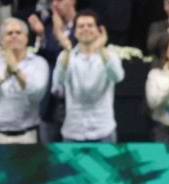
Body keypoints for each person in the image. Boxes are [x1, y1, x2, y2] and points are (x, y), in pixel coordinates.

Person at [0, 18, 51, 144]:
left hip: (25, 137)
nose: (14, 36)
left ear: (26, 38)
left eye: (18, 32)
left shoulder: (38, 63)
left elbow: (37, 94)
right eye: (9, 33)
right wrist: (1, 78)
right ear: (2, 40)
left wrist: (16, 71)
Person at [51, 10, 124, 142]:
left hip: (104, 131)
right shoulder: (65, 56)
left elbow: (117, 77)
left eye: (90, 25)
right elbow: (58, 85)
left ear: (99, 30)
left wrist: (101, 49)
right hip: (73, 131)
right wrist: (67, 51)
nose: (85, 29)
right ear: (74, 32)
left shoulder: (110, 55)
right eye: (81, 26)